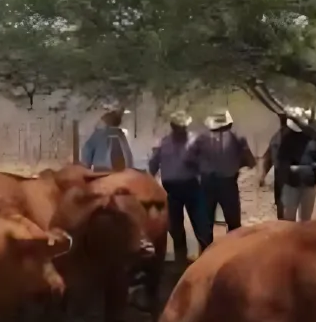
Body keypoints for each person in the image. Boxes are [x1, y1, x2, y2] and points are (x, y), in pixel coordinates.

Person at [191, 110, 254, 246]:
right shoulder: (237, 137)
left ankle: (206, 253)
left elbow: (189, 159)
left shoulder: (201, 139)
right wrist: (237, 164)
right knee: (233, 222)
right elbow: (250, 161)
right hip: (228, 182)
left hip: (207, 183)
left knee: (206, 222)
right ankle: (232, 250)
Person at [148, 112, 201, 263]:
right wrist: (149, 180)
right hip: (170, 188)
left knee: (200, 222)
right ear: (172, 127)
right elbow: (153, 163)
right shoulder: (163, 143)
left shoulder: (196, 141)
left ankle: (203, 257)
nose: (181, 130)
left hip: (192, 185)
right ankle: (180, 259)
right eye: (178, 127)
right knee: (175, 225)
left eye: (183, 127)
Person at [273, 107, 316, 221]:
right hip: (291, 185)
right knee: (289, 220)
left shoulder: (315, 139)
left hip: (309, 185)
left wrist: (310, 168)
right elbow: (280, 160)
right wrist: (290, 168)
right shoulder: (286, 139)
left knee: (306, 220)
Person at [80, 109, 136, 173]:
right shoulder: (121, 135)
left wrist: (85, 169)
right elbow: (129, 156)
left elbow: (87, 153)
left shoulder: (99, 134)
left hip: (102, 171)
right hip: (125, 172)